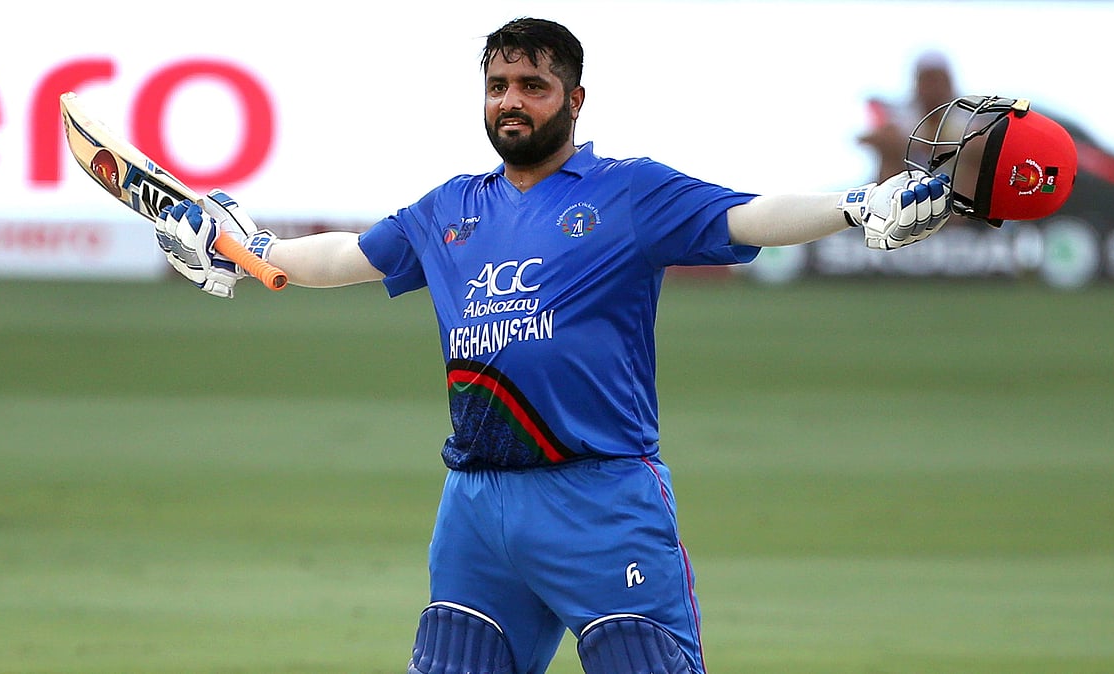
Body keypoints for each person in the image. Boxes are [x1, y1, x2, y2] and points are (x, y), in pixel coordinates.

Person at [154, 17, 951, 674]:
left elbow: (747, 217)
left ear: (574, 100)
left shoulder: (629, 192)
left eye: (532, 87)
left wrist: (858, 207)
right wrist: (242, 246)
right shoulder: (451, 208)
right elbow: (344, 258)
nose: (512, 102)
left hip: (601, 500)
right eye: (498, 86)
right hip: (476, 507)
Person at [859, 50, 959, 183]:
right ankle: (889, 201)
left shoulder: (967, 113)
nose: (933, 88)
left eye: (937, 80)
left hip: (956, 180)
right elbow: (866, 138)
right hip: (908, 184)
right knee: (889, 149)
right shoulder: (905, 114)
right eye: (927, 81)